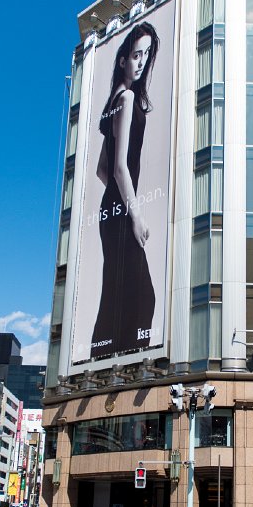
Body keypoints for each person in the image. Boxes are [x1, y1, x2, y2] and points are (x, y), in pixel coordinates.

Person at [90, 22, 160, 359]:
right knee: (143, 296)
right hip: (120, 213)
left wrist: (118, 199)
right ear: (122, 60)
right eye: (135, 55)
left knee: (116, 293)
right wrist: (135, 213)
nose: (141, 62)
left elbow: (102, 170)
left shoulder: (114, 99)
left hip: (110, 209)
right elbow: (117, 168)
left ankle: (103, 362)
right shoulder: (128, 97)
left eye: (146, 55)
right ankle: (129, 365)